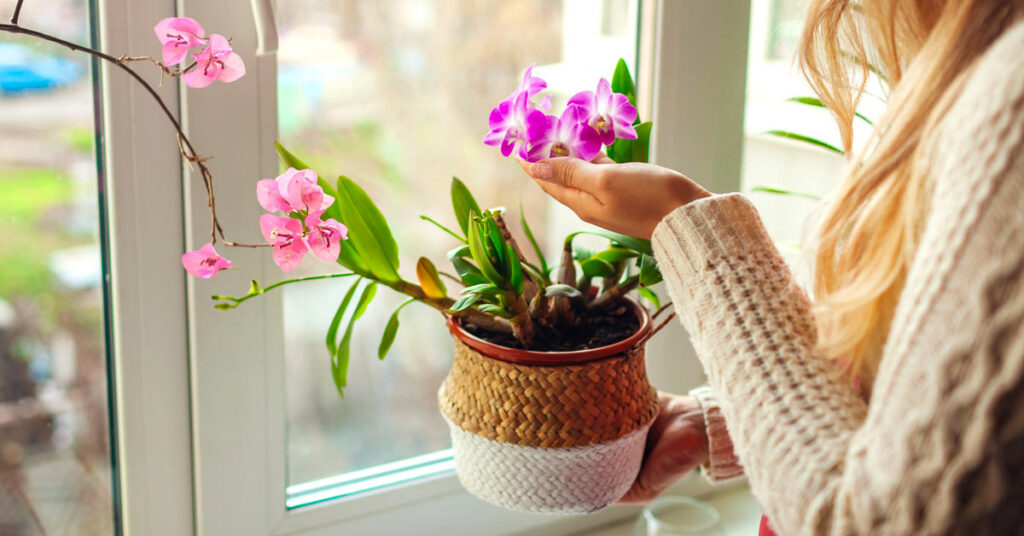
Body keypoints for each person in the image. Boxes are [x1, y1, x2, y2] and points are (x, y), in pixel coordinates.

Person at [519, 1, 1024, 533]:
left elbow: (875, 524)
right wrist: (722, 422)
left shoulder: (1010, 100)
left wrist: (684, 219)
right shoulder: (982, 61)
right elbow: (944, 406)